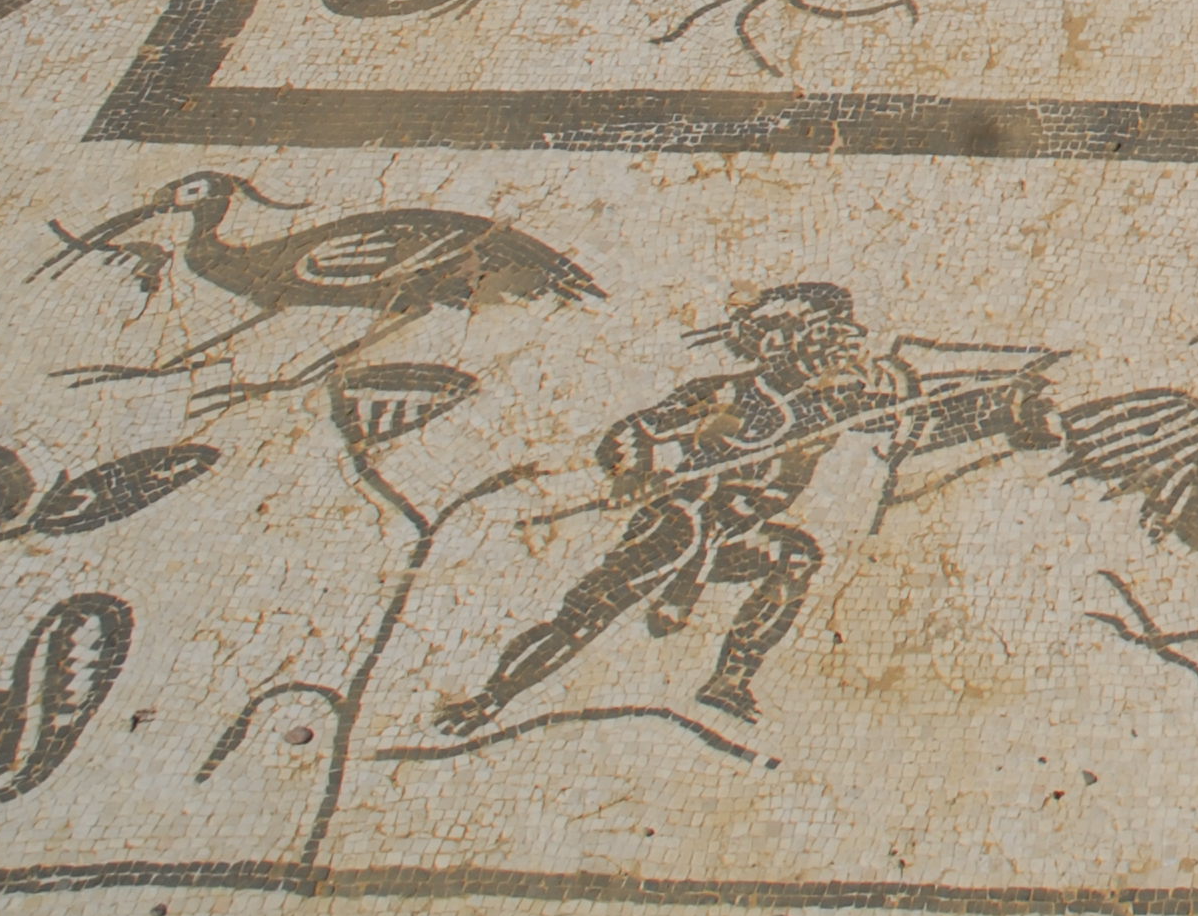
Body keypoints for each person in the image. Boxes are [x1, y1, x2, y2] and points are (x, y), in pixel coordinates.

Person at [434, 282, 1046, 733]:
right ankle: (491, 698)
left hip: (734, 536)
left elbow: (914, 418)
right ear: (782, 344)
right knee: (592, 610)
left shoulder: (829, 405)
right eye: (823, 340)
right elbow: (633, 430)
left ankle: (730, 678)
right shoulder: (729, 393)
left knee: (795, 555)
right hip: (681, 519)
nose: (840, 353)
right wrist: (634, 472)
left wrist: (1006, 409)